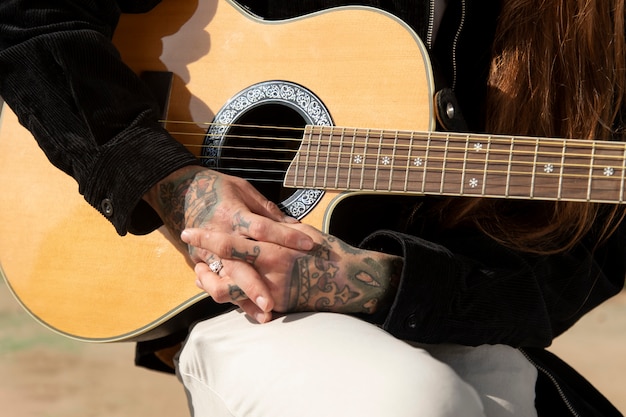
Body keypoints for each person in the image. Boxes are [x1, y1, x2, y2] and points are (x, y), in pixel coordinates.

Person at [0, 0, 624, 416]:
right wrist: (172, 179)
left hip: (455, 311)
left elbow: (571, 270)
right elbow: (30, 17)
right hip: (245, 313)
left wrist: (366, 281)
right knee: (409, 401)